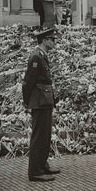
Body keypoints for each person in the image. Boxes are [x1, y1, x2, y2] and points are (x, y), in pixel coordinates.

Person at [22, 28, 60, 182]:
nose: (54, 42)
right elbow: (28, 82)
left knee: (45, 136)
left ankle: (42, 165)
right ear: (44, 41)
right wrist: (27, 101)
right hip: (39, 100)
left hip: (44, 100)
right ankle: (35, 172)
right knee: (39, 136)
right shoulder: (36, 57)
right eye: (52, 39)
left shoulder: (42, 56)